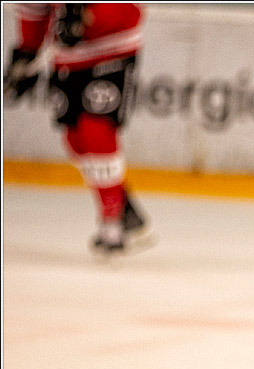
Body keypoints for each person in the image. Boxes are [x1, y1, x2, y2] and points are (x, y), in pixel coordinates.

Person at [3, 2, 151, 254]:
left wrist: (91, 18)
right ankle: (123, 207)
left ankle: (112, 222)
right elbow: (34, 7)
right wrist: (28, 49)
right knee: (75, 140)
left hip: (113, 52)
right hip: (66, 59)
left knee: (96, 132)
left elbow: (132, 10)